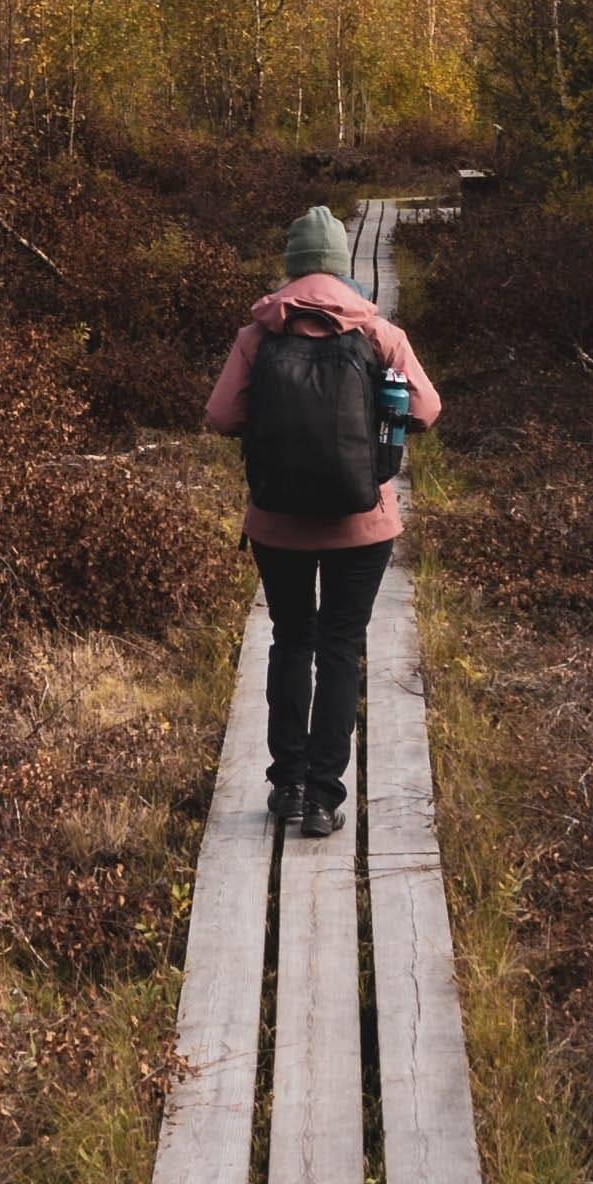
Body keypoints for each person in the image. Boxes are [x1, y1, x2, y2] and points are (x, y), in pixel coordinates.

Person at [201, 204, 437, 838]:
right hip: (363, 523)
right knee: (339, 646)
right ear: (339, 265)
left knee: (291, 641)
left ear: (292, 266)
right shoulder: (378, 333)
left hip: (277, 522)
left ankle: (288, 785)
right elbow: (427, 409)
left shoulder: (257, 336)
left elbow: (221, 416)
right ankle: (325, 797)